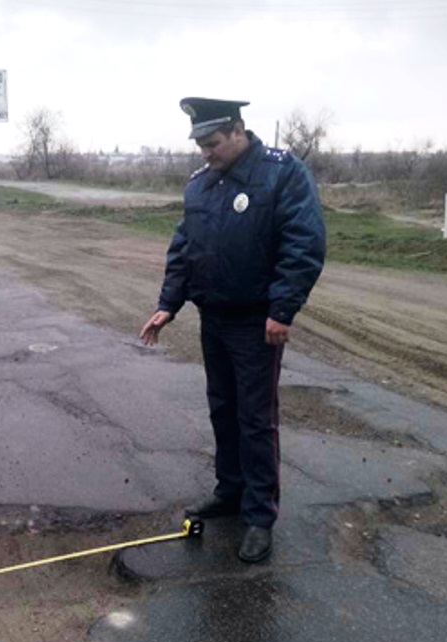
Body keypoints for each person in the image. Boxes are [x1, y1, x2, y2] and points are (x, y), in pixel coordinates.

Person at [140, 98, 325, 563]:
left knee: (255, 419)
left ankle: (259, 516)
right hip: (214, 319)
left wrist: (282, 309)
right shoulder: (200, 185)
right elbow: (184, 247)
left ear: (239, 130)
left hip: (257, 322)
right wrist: (169, 304)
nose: (206, 152)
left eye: (213, 143)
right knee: (223, 410)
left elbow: (303, 243)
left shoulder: (281, 174)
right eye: (200, 144)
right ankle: (231, 492)